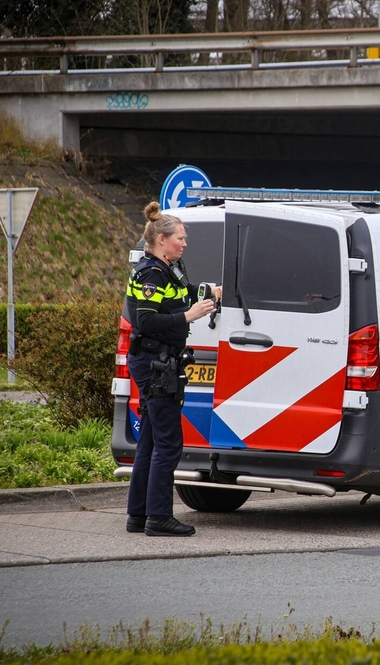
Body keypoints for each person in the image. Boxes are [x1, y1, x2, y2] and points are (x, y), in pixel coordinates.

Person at [124, 201, 218, 536]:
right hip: (155, 363)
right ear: (162, 239)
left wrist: (210, 292)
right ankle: (159, 517)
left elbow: (183, 292)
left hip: (159, 360)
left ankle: (138, 515)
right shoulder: (151, 273)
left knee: (149, 441)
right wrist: (188, 317)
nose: (185, 242)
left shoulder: (167, 269)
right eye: (180, 237)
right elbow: (146, 320)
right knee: (168, 443)